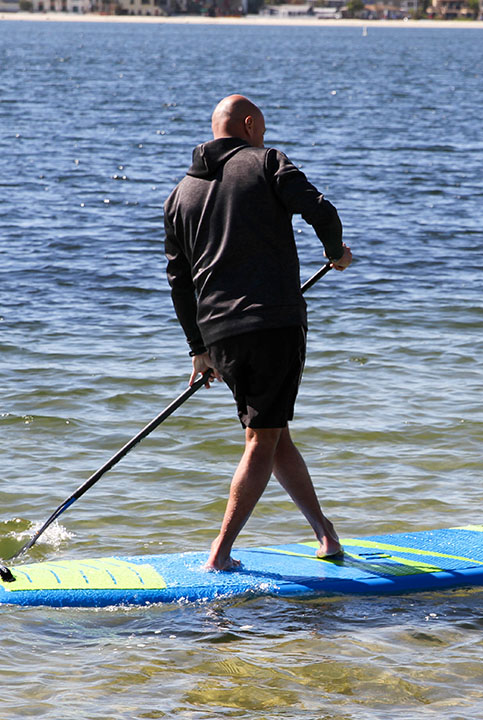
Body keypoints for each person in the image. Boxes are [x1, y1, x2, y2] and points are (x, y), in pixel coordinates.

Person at [163, 95, 353, 572]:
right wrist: (336, 252)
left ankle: (325, 534)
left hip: (219, 335)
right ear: (249, 125)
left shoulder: (180, 193)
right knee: (262, 439)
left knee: (271, 431)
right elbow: (321, 211)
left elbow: (178, 281)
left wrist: (199, 349)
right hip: (272, 325)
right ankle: (220, 554)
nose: (264, 139)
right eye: (262, 130)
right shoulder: (266, 161)